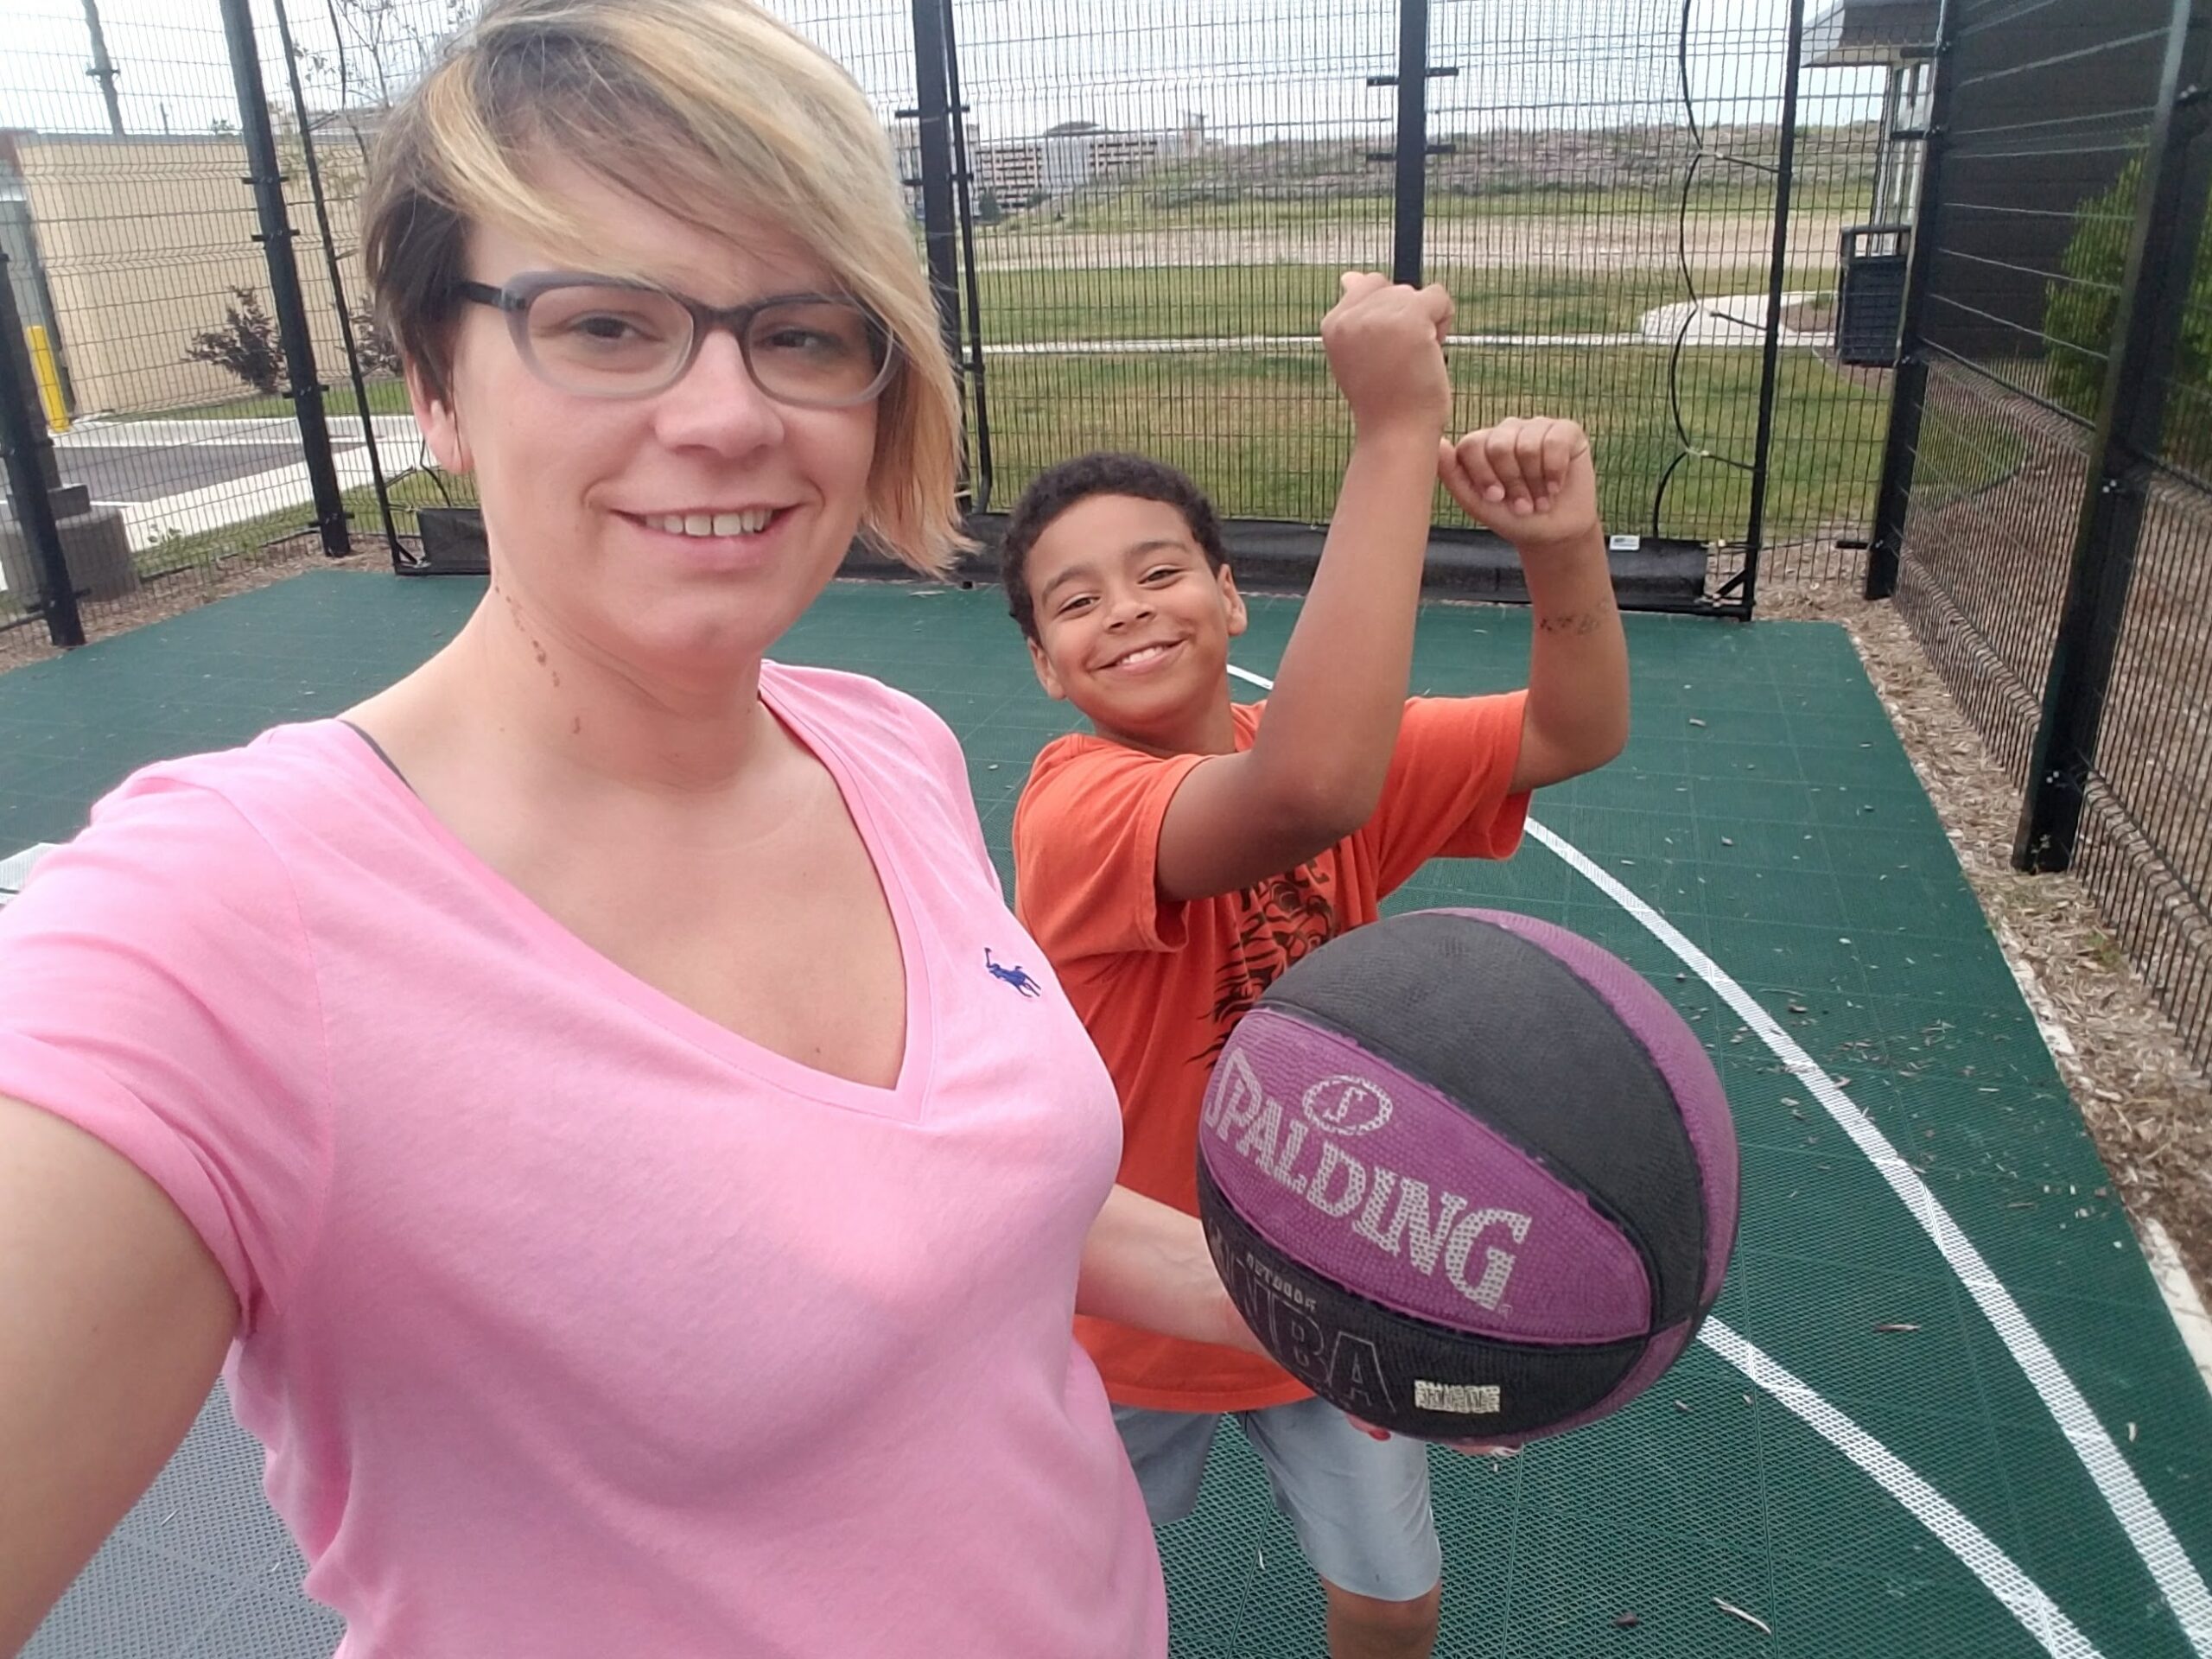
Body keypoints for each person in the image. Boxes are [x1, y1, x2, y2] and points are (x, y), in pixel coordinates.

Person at [0, 3, 1261, 1654]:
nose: (729, 415)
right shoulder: (215, 926)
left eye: (804, 331)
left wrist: (1325, 1303)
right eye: (603, 323)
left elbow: (984, 1201)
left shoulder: (887, 749)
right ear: (436, 386)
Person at [1001, 276, 1633, 1659]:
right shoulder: (1076, 807)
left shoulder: (1325, 755)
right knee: (1054, 1606)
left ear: (1232, 596)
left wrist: (1563, 549)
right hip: (1124, 1309)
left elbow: (1574, 730)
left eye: (1160, 571)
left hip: (1330, 1290)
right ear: (1046, 666)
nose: (1127, 610)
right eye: (1076, 601)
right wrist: (1396, 431)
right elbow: (1304, 794)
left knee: (1392, 1601)